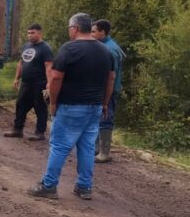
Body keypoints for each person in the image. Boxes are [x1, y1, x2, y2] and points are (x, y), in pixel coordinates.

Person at [29, 13, 115, 200]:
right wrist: (105, 103)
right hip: (95, 107)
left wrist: (52, 102)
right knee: (86, 147)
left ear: (75, 28)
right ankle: (84, 187)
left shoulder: (70, 49)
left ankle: (49, 185)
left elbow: (56, 77)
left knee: (59, 146)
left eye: (70, 28)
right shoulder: (105, 51)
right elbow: (111, 78)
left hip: (71, 107)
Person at [3, 23, 54, 141]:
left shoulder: (45, 48)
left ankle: (40, 133)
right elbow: (21, 63)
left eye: (33, 33)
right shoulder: (26, 46)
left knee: (39, 107)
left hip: (39, 84)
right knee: (20, 105)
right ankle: (17, 130)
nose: (30, 35)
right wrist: (16, 78)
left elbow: (49, 66)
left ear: (40, 33)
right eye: (28, 33)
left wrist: (49, 83)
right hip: (26, 83)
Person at [92, 19, 126, 163]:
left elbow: (110, 76)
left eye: (94, 31)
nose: (91, 34)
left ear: (103, 32)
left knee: (106, 118)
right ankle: (97, 148)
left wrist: (106, 93)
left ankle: (105, 153)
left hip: (108, 90)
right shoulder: (104, 46)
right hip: (102, 89)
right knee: (98, 118)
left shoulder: (109, 49)